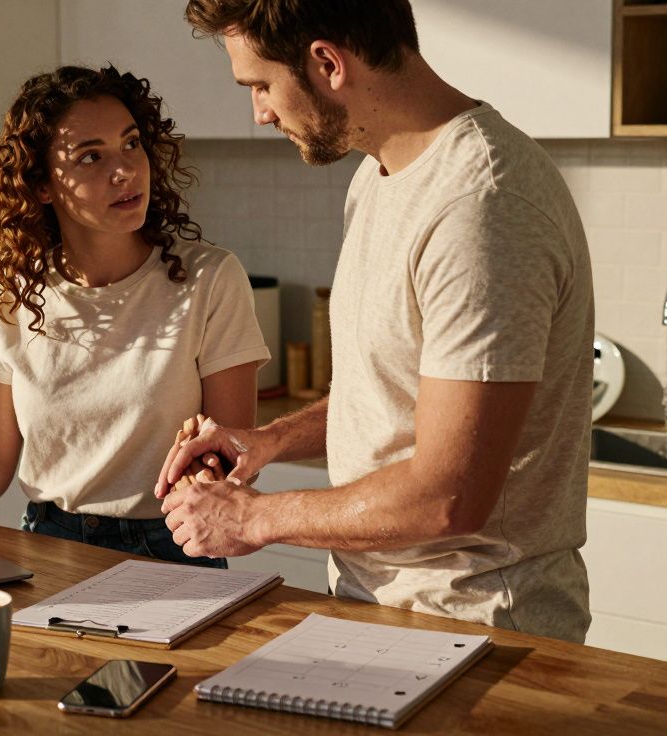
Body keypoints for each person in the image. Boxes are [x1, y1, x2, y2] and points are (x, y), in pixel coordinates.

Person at [157, 0, 594, 641]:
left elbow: (449, 495)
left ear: (328, 63)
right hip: (377, 608)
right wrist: (271, 440)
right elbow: (391, 397)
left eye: (260, 85)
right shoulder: (377, 176)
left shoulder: (481, 206)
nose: (261, 112)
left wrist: (251, 519)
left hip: (481, 627)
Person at [0, 65, 270, 568]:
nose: (125, 170)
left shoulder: (210, 279)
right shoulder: (10, 292)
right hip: (46, 544)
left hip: (171, 545)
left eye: (131, 144)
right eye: (91, 157)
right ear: (41, 186)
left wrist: (207, 471)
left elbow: (237, 453)